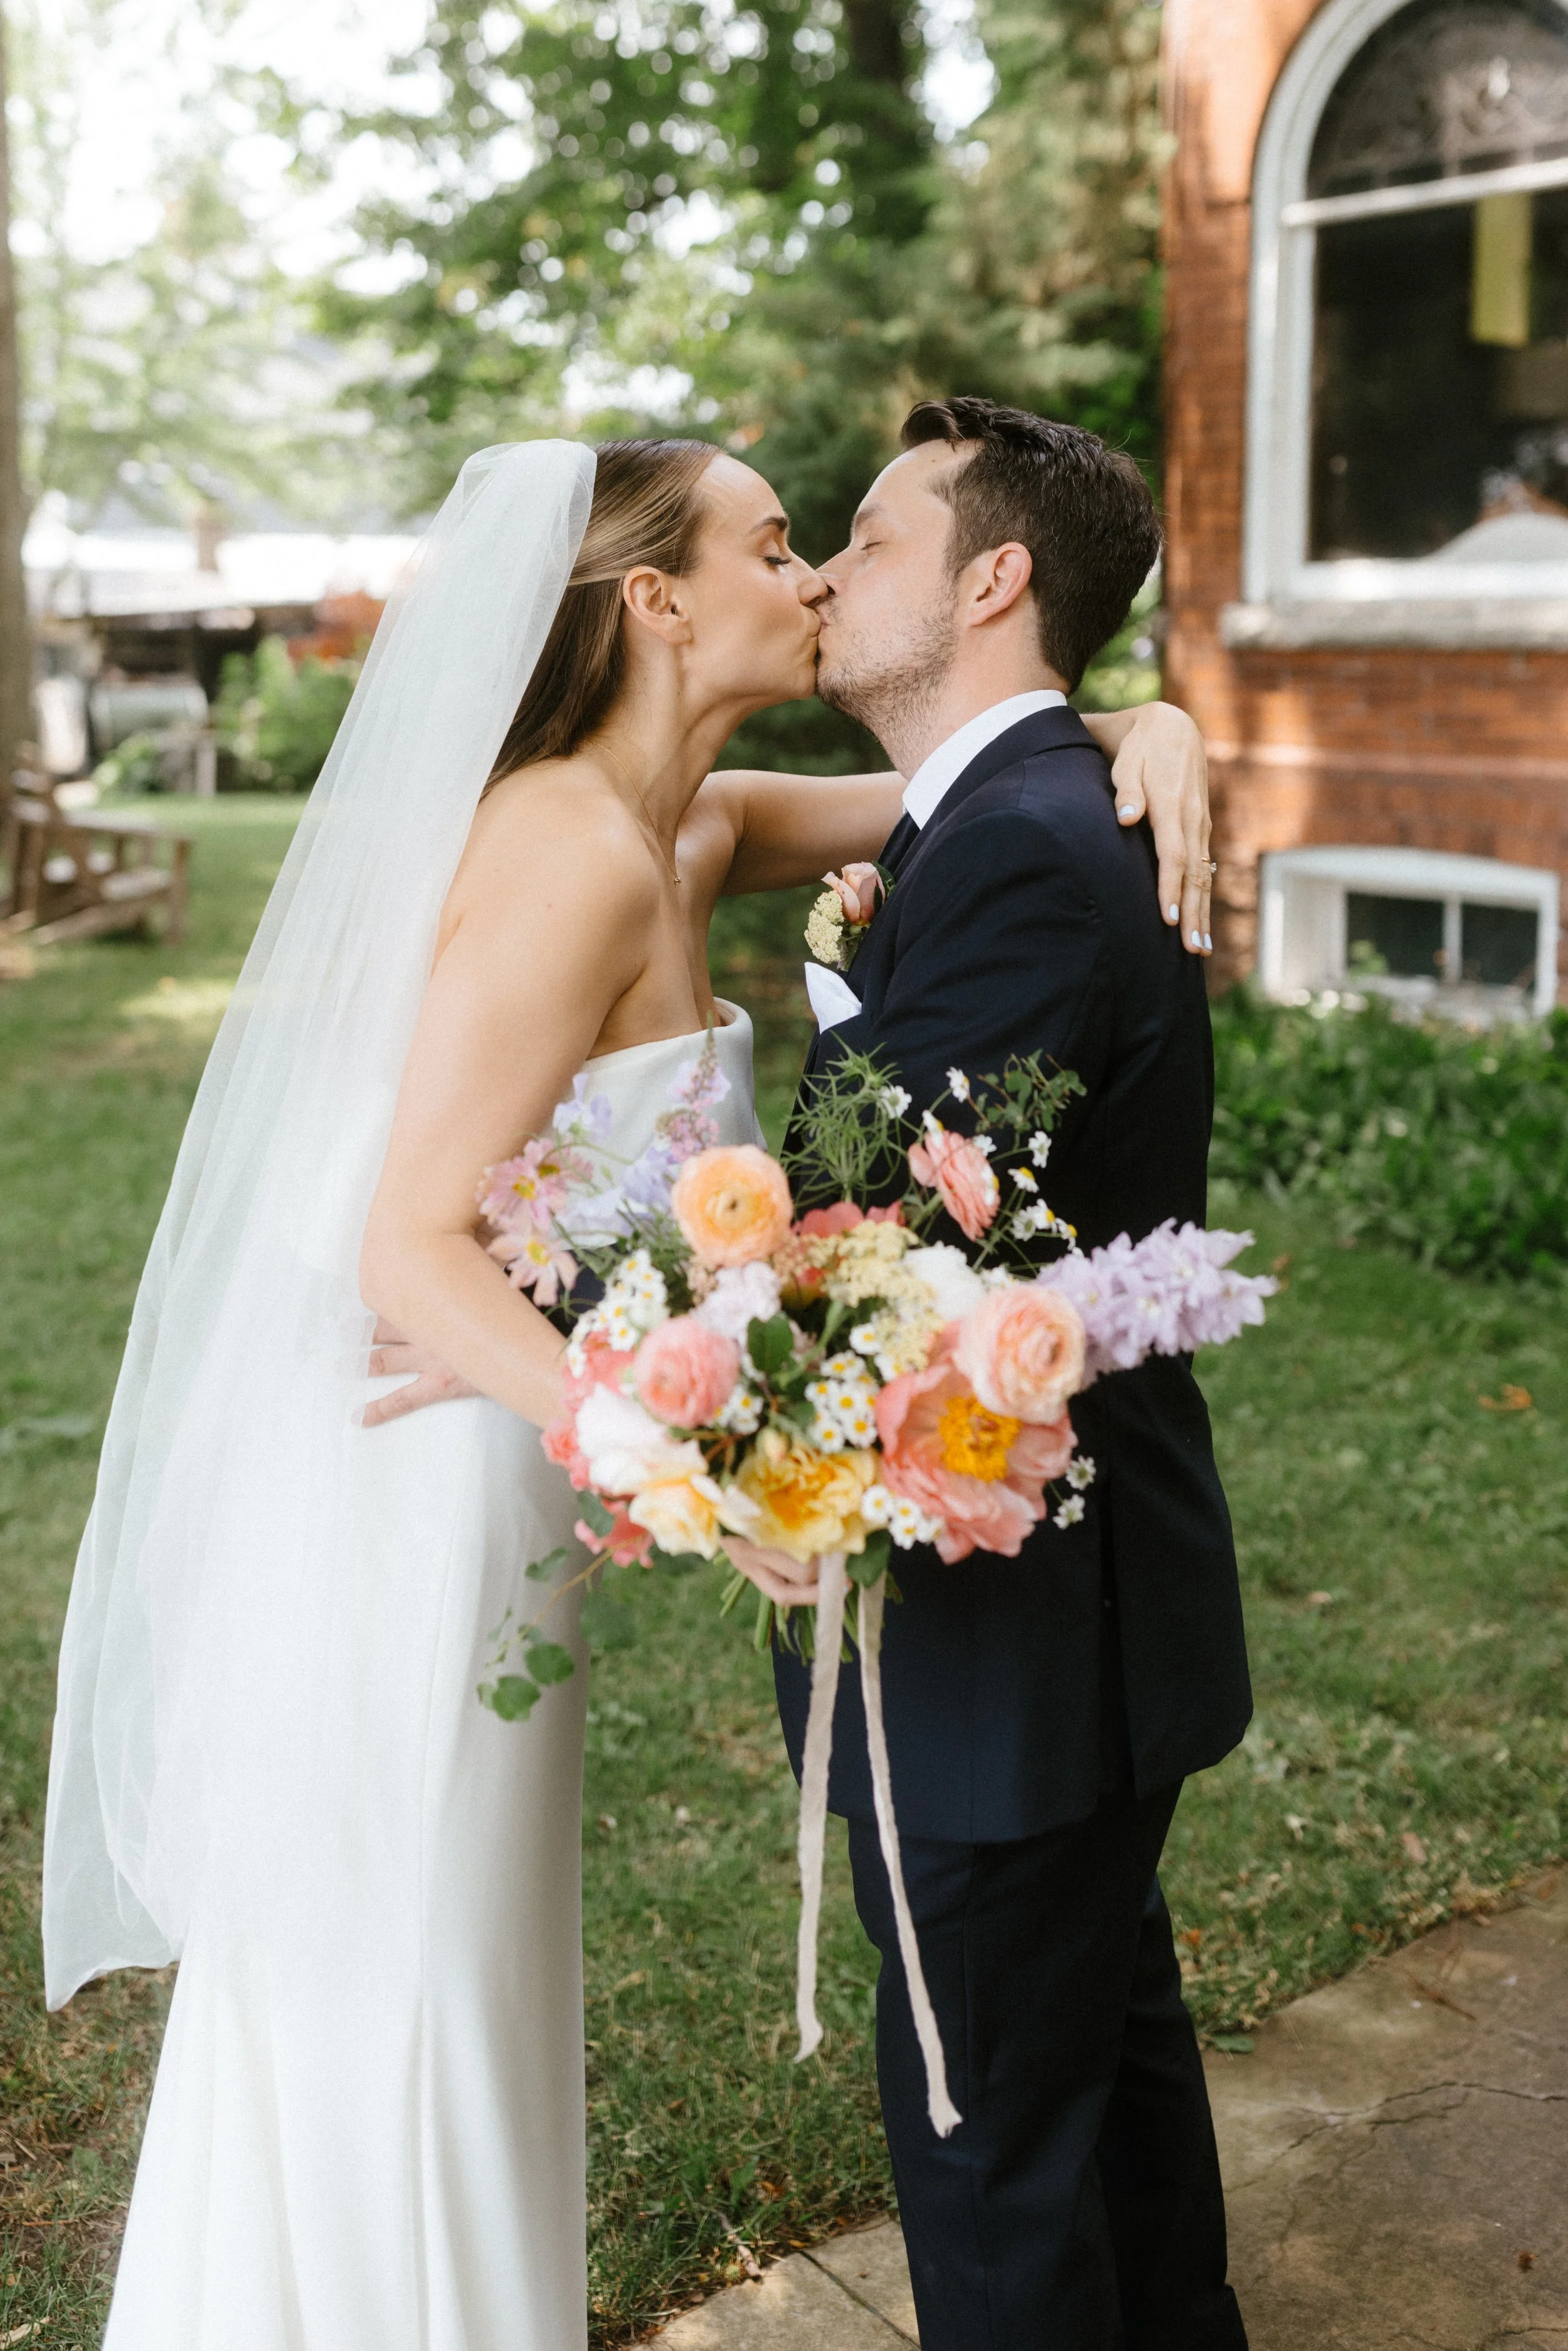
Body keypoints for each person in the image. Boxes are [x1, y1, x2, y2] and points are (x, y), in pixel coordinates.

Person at [43, 431, 1212, 2350]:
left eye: (837, 541)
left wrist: (1144, 719)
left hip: (526, 1468)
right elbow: (407, 1245)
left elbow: (949, 787)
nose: (819, 572)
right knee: (392, 1970)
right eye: (779, 542)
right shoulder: (566, 849)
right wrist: (700, 1460)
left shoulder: (686, 820)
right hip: (424, 1480)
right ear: (657, 600)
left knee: (484, 1965)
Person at [726, 396, 1252, 2349]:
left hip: (1014, 1632)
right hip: (1068, 1633)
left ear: (993, 576)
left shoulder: (1025, 850)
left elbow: (837, 1240)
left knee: (986, 2150)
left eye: (867, 534)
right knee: (1095, 2083)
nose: (825, 571)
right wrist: (1145, 717)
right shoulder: (1011, 813)